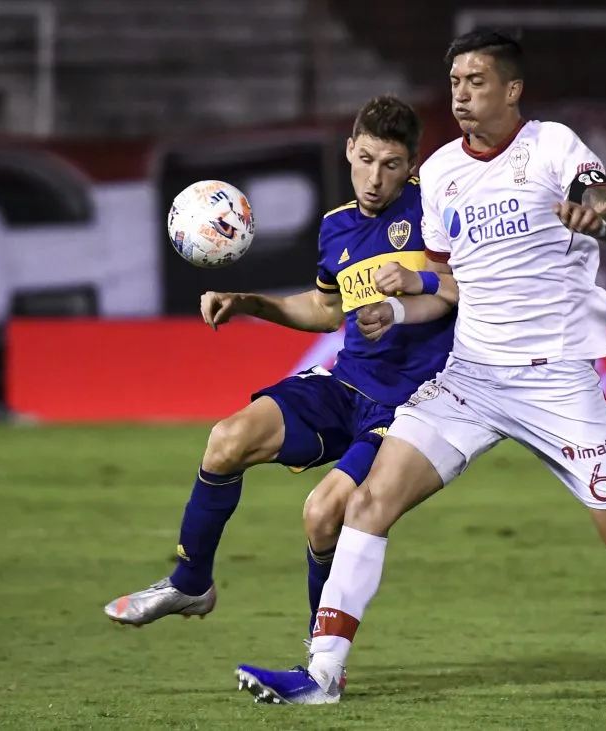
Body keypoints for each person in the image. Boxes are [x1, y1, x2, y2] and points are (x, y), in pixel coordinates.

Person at [235, 29, 606, 706]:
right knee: (369, 501)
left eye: (478, 82)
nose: (462, 94)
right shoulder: (437, 174)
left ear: (512, 90)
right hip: (471, 380)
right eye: (456, 82)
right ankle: (323, 674)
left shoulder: (553, 147)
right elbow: (444, 284)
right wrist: (400, 311)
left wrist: (596, 217)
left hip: (556, 383)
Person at [103, 96, 457, 654]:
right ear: (349, 150)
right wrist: (248, 302)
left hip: (407, 407)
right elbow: (324, 311)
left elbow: (469, 290)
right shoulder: (336, 228)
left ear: (411, 165)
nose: (374, 177)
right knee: (226, 440)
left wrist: (420, 286)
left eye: (390, 165)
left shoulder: (434, 216)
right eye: (365, 159)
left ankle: (322, 656)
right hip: (344, 386)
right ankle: (190, 583)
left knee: (321, 515)